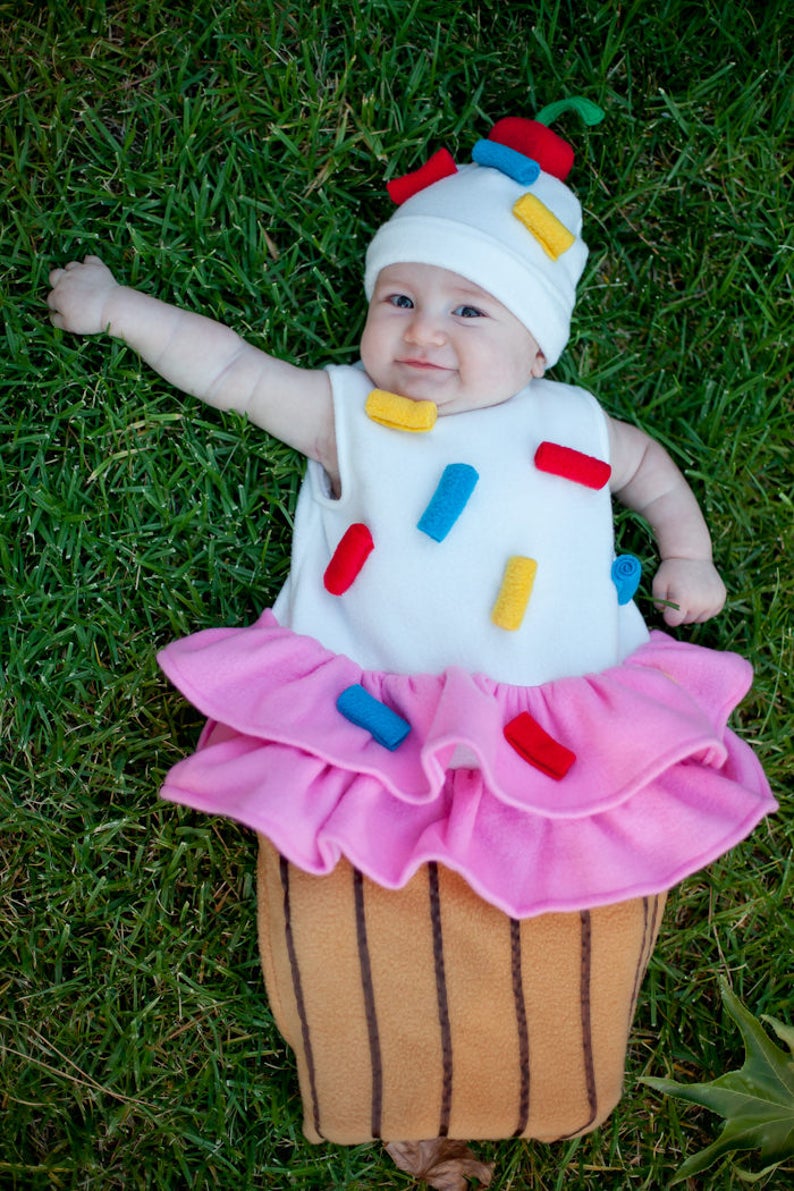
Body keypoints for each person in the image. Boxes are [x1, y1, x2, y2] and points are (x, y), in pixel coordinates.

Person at [48, 110, 775, 1189]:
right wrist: (117, 311)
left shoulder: (577, 424)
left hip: (559, 727)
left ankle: (544, 1077)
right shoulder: (352, 413)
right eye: (398, 299)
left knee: (568, 896)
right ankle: (389, 1091)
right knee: (353, 908)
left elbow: (651, 474)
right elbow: (234, 369)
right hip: (370, 728)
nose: (422, 331)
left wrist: (688, 553)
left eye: (466, 308)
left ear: (536, 344)